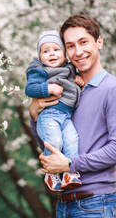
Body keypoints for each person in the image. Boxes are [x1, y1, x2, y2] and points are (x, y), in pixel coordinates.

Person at [29, 15, 116, 218]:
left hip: (96, 207)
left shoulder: (114, 90)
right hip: (65, 205)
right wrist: (33, 115)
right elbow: (50, 142)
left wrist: (70, 163)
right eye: (70, 45)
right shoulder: (68, 89)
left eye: (84, 42)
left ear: (99, 42)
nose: (78, 51)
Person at [25, 30, 84, 192]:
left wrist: (76, 78)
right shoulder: (40, 70)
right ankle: (50, 174)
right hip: (49, 115)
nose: (51, 54)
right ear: (40, 56)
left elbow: (70, 79)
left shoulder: (68, 68)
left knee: (72, 141)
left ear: (65, 54)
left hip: (65, 117)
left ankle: (69, 174)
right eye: (45, 51)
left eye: (56, 49)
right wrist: (48, 88)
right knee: (55, 142)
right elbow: (30, 88)